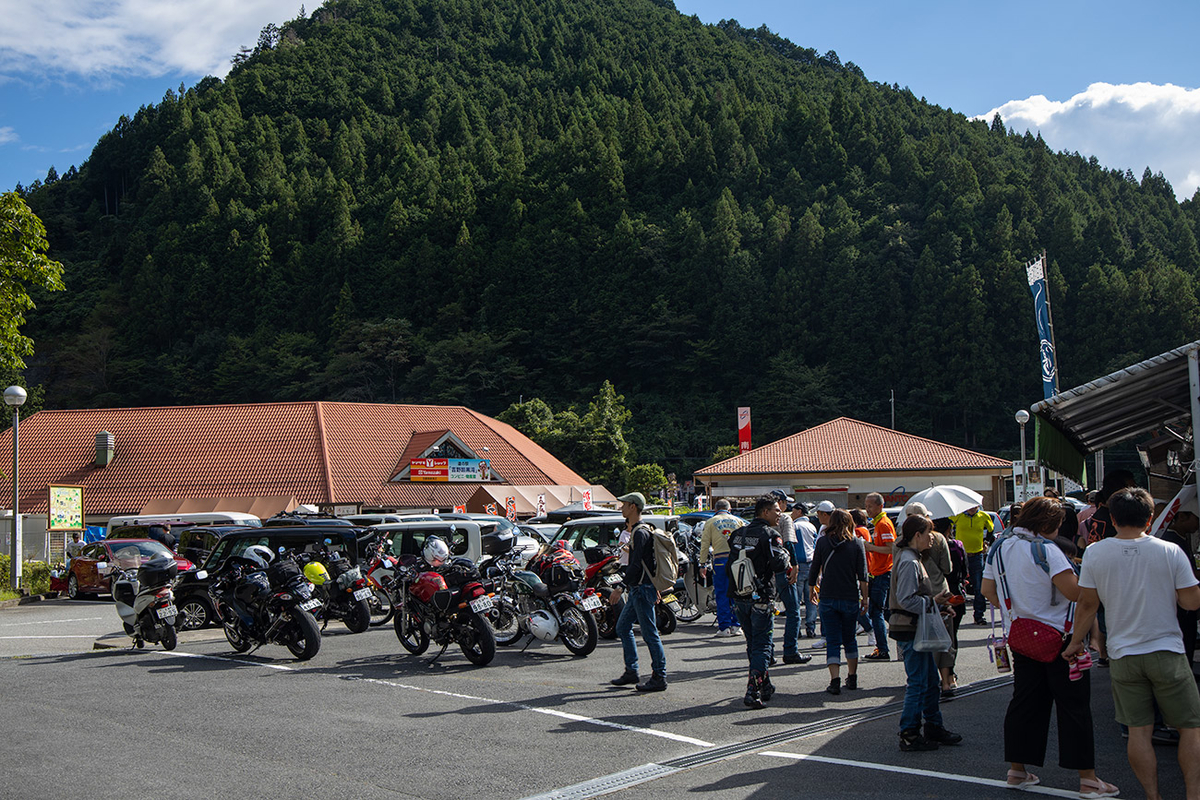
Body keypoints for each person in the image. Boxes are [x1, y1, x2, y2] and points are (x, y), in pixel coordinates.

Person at [1065, 488, 1200, 800]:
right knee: (1190, 727)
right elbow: (1191, 602)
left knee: (1139, 732)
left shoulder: (1095, 553)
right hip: (1167, 650)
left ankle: (1153, 796)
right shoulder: (1170, 551)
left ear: (1112, 519)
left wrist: (1075, 642)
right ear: (1150, 518)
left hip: (1123, 654)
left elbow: (1087, 605)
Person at [981, 496, 1117, 796]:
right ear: (1046, 525)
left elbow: (987, 589)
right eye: (1057, 525)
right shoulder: (1048, 550)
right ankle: (1088, 779)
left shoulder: (1000, 547)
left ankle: (1017, 770)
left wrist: (1019, 609)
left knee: (1025, 704)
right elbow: (1075, 594)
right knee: (1074, 707)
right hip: (1060, 638)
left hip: (1021, 636)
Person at [890, 514, 962, 751]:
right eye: (928, 533)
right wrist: (933, 602)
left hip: (914, 625)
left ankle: (933, 726)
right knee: (919, 682)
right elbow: (906, 599)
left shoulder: (912, 557)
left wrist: (938, 605)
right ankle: (909, 733)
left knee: (930, 681)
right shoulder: (909, 561)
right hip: (910, 627)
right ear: (917, 535)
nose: (932, 538)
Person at [727, 495, 793, 708]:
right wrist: (786, 557)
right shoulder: (770, 535)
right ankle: (752, 690)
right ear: (765, 512)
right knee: (763, 645)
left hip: (739, 596)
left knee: (752, 643)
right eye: (776, 510)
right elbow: (778, 564)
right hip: (760, 596)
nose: (780, 514)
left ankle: (765, 685)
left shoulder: (738, 533)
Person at [610, 492, 667, 693]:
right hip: (640, 588)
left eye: (624, 504)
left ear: (633, 507)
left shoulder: (640, 533)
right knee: (623, 627)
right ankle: (631, 671)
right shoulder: (640, 530)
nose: (621, 508)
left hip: (641, 589)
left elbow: (636, 565)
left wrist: (620, 587)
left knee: (650, 634)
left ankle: (659, 676)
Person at [809, 508, 868, 695]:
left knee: (833, 640)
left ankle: (834, 680)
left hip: (828, 596)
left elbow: (815, 568)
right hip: (850, 596)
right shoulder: (856, 543)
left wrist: (811, 589)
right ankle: (852, 676)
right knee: (850, 639)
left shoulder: (823, 542)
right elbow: (863, 575)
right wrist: (865, 598)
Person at [699, 499, 746, 637]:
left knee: (722, 593)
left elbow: (704, 545)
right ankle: (737, 625)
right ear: (729, 509)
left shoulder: (710, 522)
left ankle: (724, 627)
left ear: (715, 510)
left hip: (720, 560)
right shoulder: (738, 521)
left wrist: (702, 564)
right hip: (737, 559)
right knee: (737, 592)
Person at [771, 490, 808, 663]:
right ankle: (790, 650)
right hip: (783, 569)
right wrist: (795, 566)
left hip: (765, 571)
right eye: (785, 502)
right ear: (780, 502)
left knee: (767, 611)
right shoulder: (785, 519)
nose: (787, 506)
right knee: (793, 611)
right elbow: (789, 543)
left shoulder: (761, 518)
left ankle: (768, 652)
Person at [1162, 508, 1199, 667]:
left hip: (1182, 604)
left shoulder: (1179, 539)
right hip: (1180, 603)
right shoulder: (1172, 543)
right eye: (1196, 518)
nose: (1198, 524)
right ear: (1182, 517)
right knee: (1184, 640)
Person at [862, 492, 896, 660]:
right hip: (879, 572)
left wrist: (870, 547)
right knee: (884, 612)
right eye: (866, 506)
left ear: (880, 506)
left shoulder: (883, 524)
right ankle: (889, 646)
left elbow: (891, 548)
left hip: (883, 572)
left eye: (870, 506)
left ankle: (882, 649)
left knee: (877, 612)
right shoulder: (878, 523)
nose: (867, 509)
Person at [950, 505, 994, 625]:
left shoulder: (983, 516)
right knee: (957, 584)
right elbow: (948, 524)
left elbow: (991, 529)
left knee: (978, 586)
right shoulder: (958, 516)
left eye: (975, 506)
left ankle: (979, 615)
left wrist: (986, 541)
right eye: (970, 506)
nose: (972, 508)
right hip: (961, 556)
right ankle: (955, 613)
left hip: (977, 555)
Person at [792, 503, 819, 640]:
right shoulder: (812, 526)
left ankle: (796, 629)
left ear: (799, 511)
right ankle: (811, 627)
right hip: (812, 564)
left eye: (793, 511)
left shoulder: (795, 526)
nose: (792, 514)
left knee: (796, 600)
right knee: (811, 598)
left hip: (799, 564)